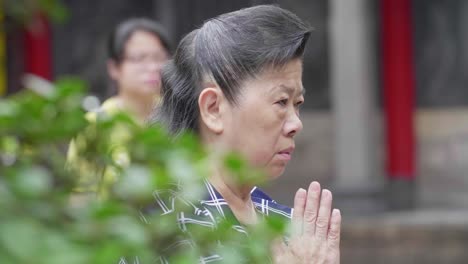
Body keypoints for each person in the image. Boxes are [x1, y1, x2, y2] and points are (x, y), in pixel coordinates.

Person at [146, 5, 341, 263]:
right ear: (213, 108)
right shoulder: (160, 225)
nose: (296, 124)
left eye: (298, 104)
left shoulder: (288, 226)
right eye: (281, 102)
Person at [67, 18, 171, 199]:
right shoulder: (96, 125)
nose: (153, 67)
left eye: (159, 57)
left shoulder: (180, 115)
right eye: (139, 58)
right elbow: (80, 196)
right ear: (114, 68)